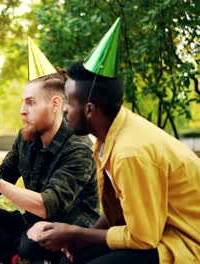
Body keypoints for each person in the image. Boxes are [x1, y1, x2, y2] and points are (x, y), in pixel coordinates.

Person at [35, 18, 200, 264]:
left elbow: (143, 237)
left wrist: (76, 232)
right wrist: (81, 238)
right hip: (156, 232)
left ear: (90, 109)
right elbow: (120, 210)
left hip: (183, 243)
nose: (65, 110)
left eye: (69, 102)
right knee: (69, 259)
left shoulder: (129, 152)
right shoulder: (109, 139)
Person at [0, 38, 99, 263]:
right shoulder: (26, 137)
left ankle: (17, 252)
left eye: (30, 103)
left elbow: (46, 207)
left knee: (15, 245)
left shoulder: (78, 148)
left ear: (55, 104)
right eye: (23, 102)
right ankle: (16, 255)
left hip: (68, 233)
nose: (22, 111)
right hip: (30, 224)